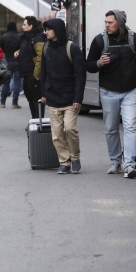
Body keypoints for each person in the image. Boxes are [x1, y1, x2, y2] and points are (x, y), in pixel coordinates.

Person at [86, 10, 136, 179]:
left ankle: (129, 165)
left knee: (130, 126)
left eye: (110, 22)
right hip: (108, 91)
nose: (106, 25)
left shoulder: (134, 39)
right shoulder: (100, 40)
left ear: (119, 23)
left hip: (131, 90)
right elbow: (89, 65)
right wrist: (99, 63)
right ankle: (115, 162)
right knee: (111, 128)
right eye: (105, 22)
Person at [40, 18, 86, 174]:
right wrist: (44, 93)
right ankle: (64, 162)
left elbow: (80, 75)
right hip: (53, 98)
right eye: (45, 29)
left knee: (69, 129)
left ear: (57, 30)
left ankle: (75, 157)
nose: (45, 32)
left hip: (70, 99)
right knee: (56, 135)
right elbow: (43, 73)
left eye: (48, 29)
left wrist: (78, 98)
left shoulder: (71, 48)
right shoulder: (46, 49)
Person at [15, 16, 46, 119]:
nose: (22, 27)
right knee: (30, 98)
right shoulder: (27, 38)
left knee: (37, 99)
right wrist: (18, 52)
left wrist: (37, 74)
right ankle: (34, 121)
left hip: (33, 75)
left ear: (30, 26)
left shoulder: (37, 38)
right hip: (26, 74)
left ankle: (38, 122)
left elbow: (40, 57)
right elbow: (27, 49)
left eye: (24, 24)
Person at [0, 21, 22, 109]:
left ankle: (2, 102)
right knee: (16, 82)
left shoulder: (3, 37)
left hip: (6, 62)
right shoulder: (19, 37)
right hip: (17, 61)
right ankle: (14, 103)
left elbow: (0, 50)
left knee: (6, 82)